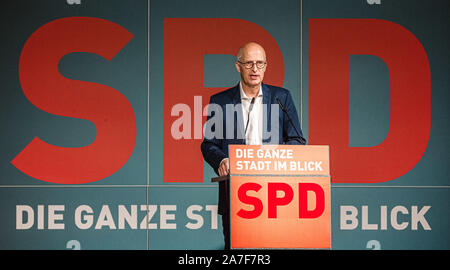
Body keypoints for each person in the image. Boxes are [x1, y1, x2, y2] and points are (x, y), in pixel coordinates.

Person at [200, 42, 306, 249]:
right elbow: (208, 144)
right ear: (238, 66)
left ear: (266, 66)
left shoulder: (281, 98)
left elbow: (297, 140)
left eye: (259, 63)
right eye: (248, 63)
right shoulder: (220, 101)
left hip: (276, 193)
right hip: (236, 193)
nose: (255, 69)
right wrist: (221, 159)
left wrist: (275, 158)